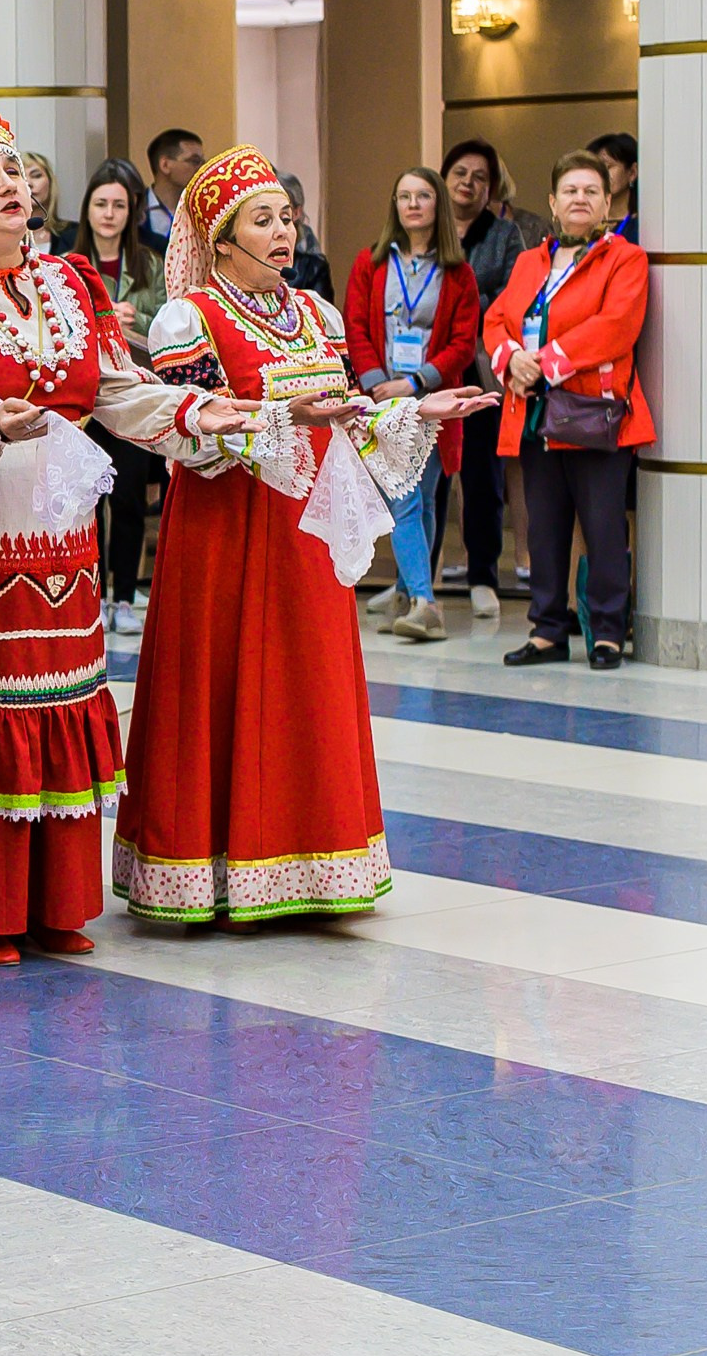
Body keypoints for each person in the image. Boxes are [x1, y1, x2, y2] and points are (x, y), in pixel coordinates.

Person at [0, 94, 241, 964]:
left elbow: (119, 389)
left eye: (14, 169)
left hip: (62, 541)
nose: (9, 184)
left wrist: (205, 409)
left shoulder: (71, 282)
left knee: (58, 699)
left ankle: (50, 899)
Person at [116, 146, 491, 925]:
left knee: (304, 688)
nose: (283, 232)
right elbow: (185, 437)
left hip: (306, 538)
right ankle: (213, 867)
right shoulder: (193, 317)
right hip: (225, 536)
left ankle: (312, 864)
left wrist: (417, 412)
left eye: (287, 217)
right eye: (262, 220)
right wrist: (280, 418)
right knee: (227, 684)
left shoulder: (313, 313)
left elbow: (344, 418)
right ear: (221, 239)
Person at [487, 151, 653, 671]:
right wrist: (510, 359)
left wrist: (543, 361)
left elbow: (616, 326)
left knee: (604, 529)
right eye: (570, 191)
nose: (580, 199)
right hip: (534, 412)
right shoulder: (528, 262)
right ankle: (547, 630)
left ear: (607, 202)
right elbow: (496, 319)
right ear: (554, 204)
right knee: (543, 529)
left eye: (591, 191)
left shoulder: (625, 258)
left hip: (593, 413)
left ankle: (605, 633)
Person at [345, 167, 479, 643]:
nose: (413, 205)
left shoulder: (459, 273)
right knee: (403, 498)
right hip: (384, 400)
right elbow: (355, 328)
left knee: (422, 500)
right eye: (403, 196)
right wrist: (381, 383)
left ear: (438, 205)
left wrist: (416, 381)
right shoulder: (371, 262)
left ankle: (406, 593)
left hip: (436, 400)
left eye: (423, 196)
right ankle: (425, 602)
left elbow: (464, 343)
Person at [52, 158, 167, 634]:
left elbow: (166, 318)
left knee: (128, 499)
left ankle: (124, 595)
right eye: (101, 203)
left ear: (131, 211)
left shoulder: (148, 261)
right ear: (88, 208)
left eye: (119, 205)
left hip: (131, 393)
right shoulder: (65, 260)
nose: (109, 213)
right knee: (86, 497)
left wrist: (133, 321)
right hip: (83, 396)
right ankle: (93, 593)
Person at [443, 138, 529, 619]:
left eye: (480, 177)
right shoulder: (425, 227)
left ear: (492, 187)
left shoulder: (504, 235)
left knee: (482, 479)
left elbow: (509, 297)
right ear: (444, 176)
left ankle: (483, 576)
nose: (468, 183)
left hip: (477, 368)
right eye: (460, 172)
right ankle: (420, 579)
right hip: (426, 371)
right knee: (423, 481)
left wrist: (458, 311)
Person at [143, 128, 205, 249]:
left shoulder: (202, 212)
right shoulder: (135, 211)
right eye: (195, 161)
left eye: (203, 162)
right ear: (165, 165)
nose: (202, 168)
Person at [278, 172, 334, 299]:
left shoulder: (313, 268)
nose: (276, 229)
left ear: (296, 213)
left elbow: (321, 316)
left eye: (284, 216)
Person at [590, 130, 640, 241]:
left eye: (608, 167)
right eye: (594, 169)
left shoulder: (643, 228)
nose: (600, 174)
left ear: (632, 172)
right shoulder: (583, 224)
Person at [22, 151, 73, 249]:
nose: (28, 183)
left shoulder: (74, 234)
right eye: (22, 177)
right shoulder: (3, 238)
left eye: (36, 175)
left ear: (50, 183)